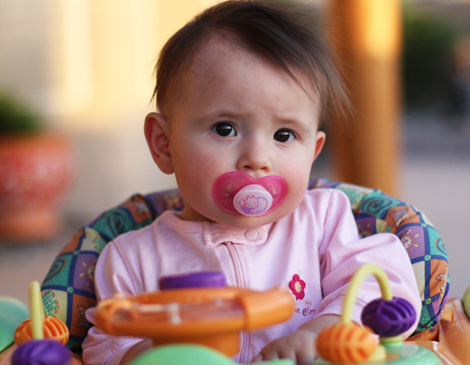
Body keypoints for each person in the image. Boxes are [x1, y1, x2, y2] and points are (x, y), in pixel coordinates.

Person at [82, 1, 421, 364]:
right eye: (225, 128)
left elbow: (386, 288)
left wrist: (320, 331)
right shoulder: (131, 257)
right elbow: (105, 348)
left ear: (313, 151)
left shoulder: (323, 221)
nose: (257, 157)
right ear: (164, 145)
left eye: (285, 134)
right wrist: (163, 350)